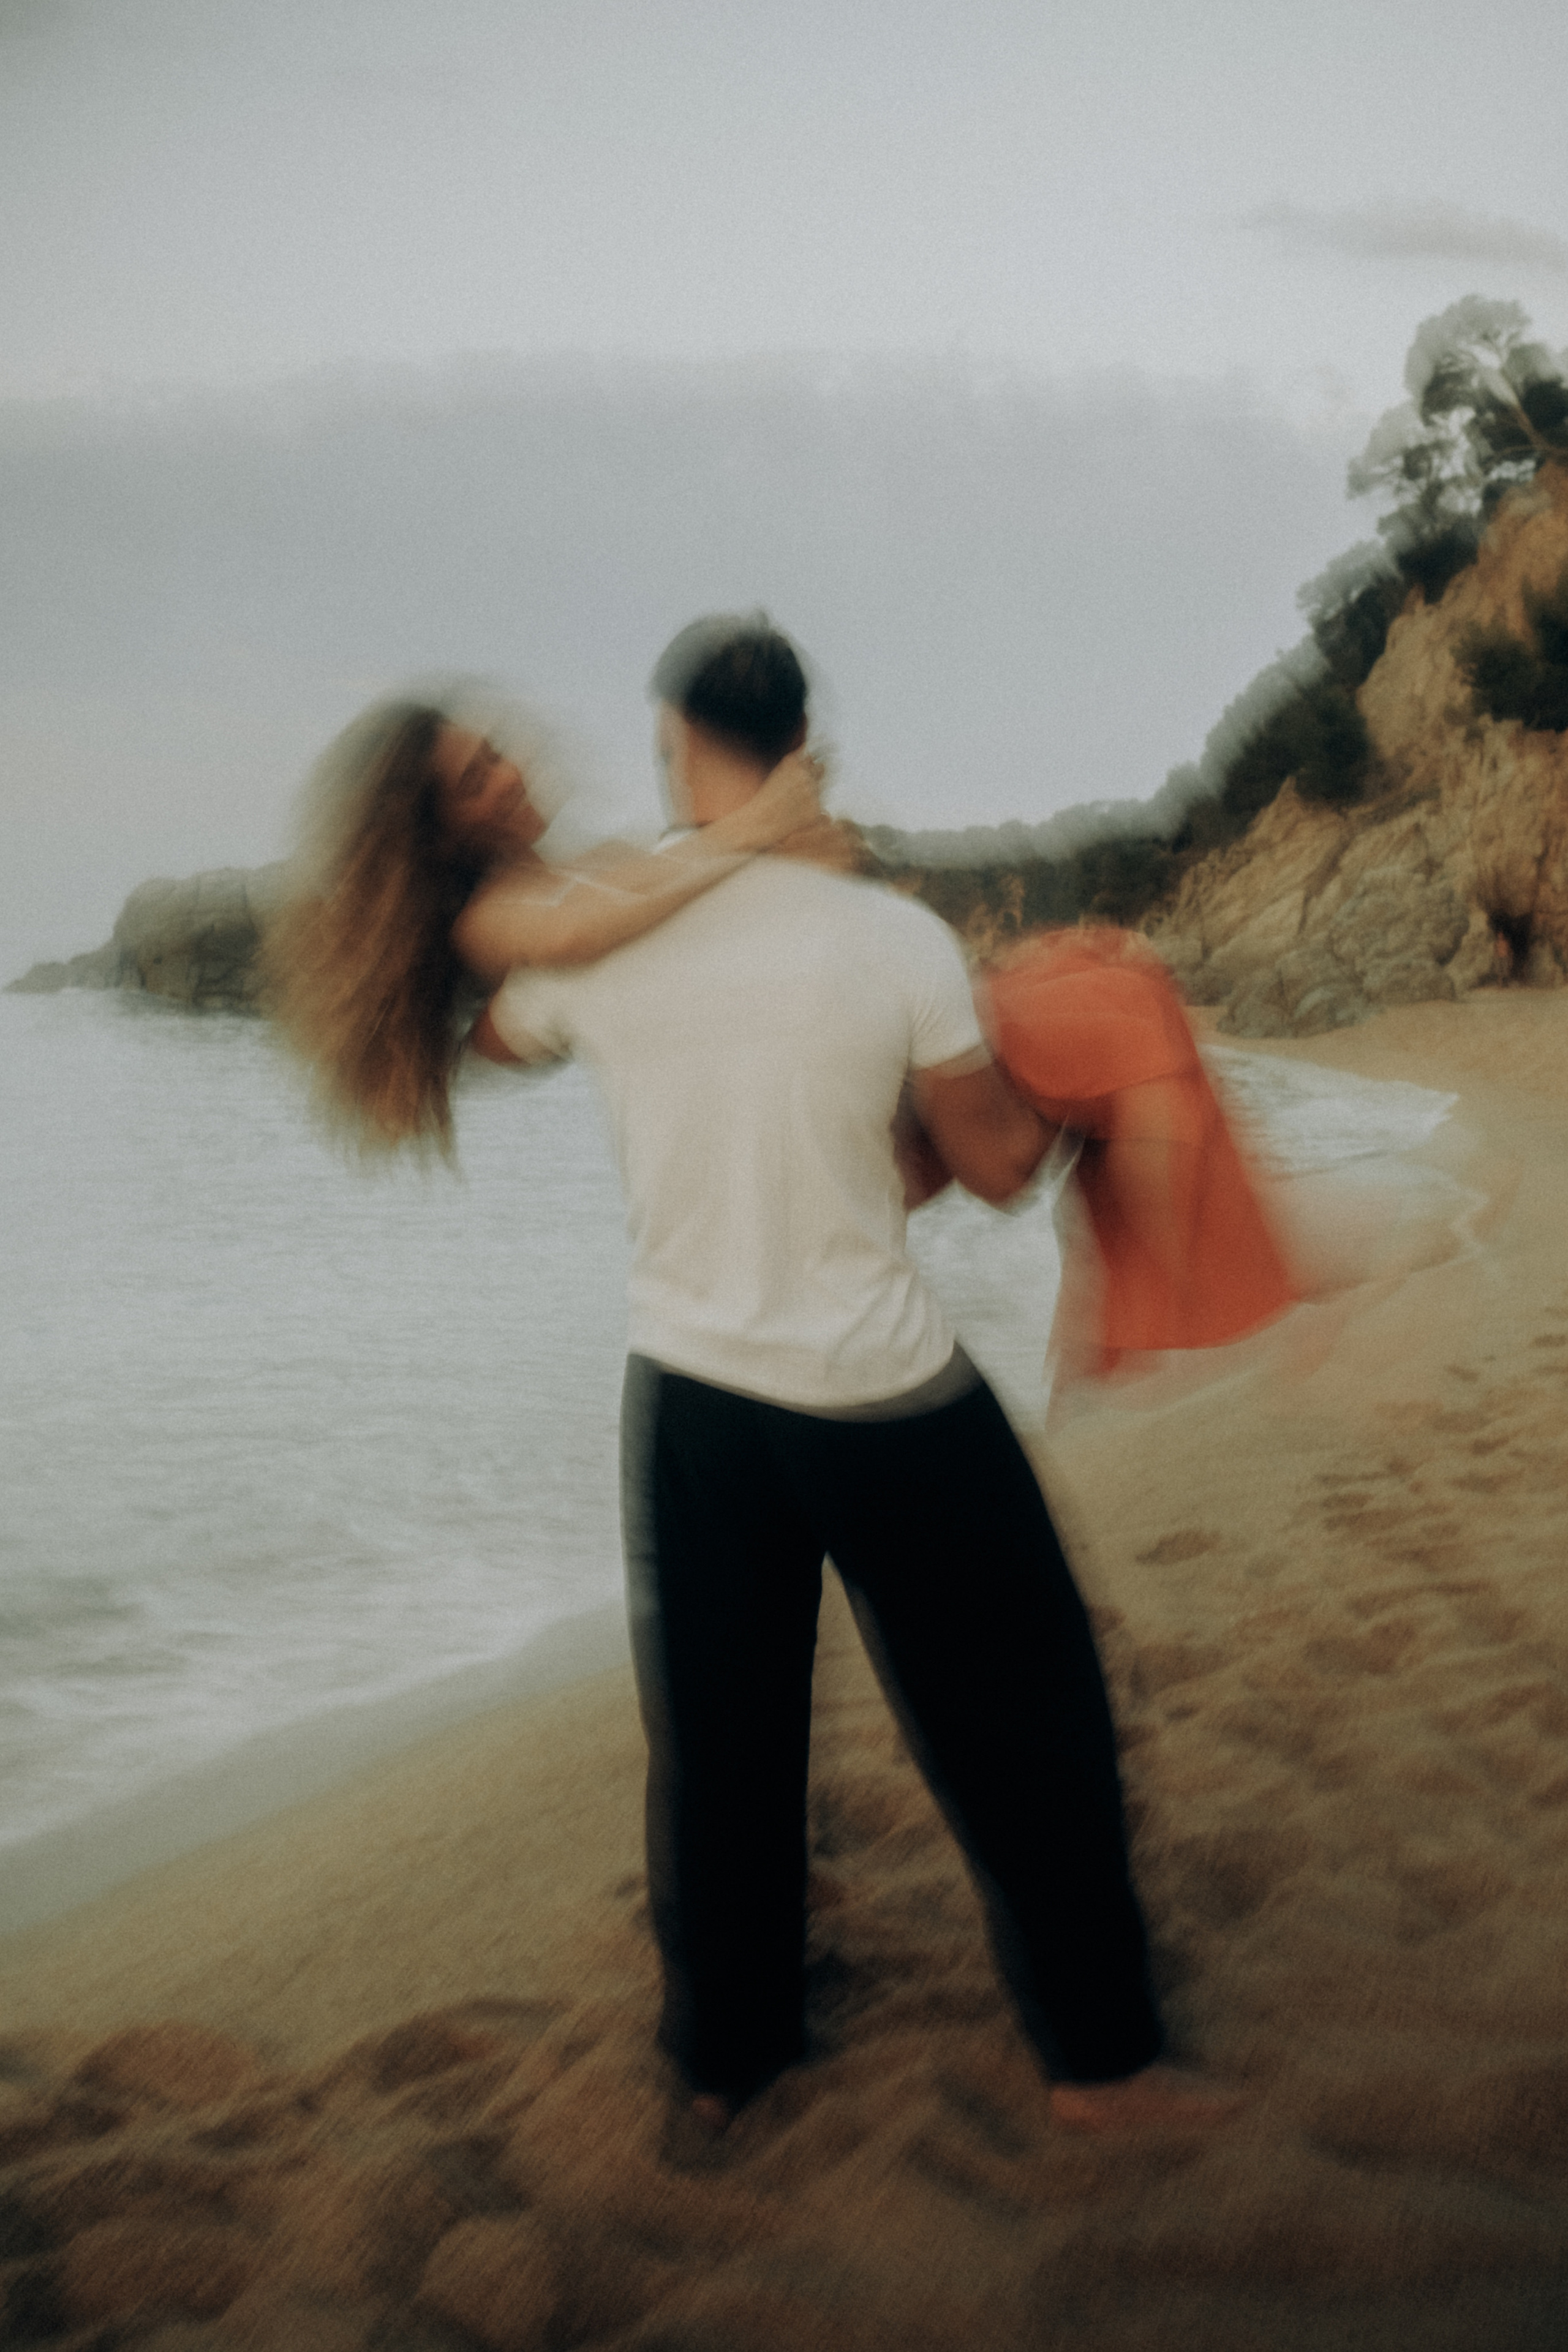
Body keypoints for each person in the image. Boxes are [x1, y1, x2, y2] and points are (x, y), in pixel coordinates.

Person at [477, 614, 1238, 2134]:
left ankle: (725, 2060)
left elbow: (497, 1032)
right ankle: (1100, 2066)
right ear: (798, 743)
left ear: (677, 744)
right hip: (874, 1392)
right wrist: (1074, 1076)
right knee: (1026, 1718)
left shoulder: (601, 945)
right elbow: (997, 1164)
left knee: (721, 1752)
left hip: (687, 1396)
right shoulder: (892, 938)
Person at [264, 687, 824, 1156]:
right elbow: (571, 932)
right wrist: (755, 826)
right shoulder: (484, 920)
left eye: (494, 755)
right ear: (439, 837)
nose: (508, 777)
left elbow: (650, 874)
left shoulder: (557, 873)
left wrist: (768, 851)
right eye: (475, 783)